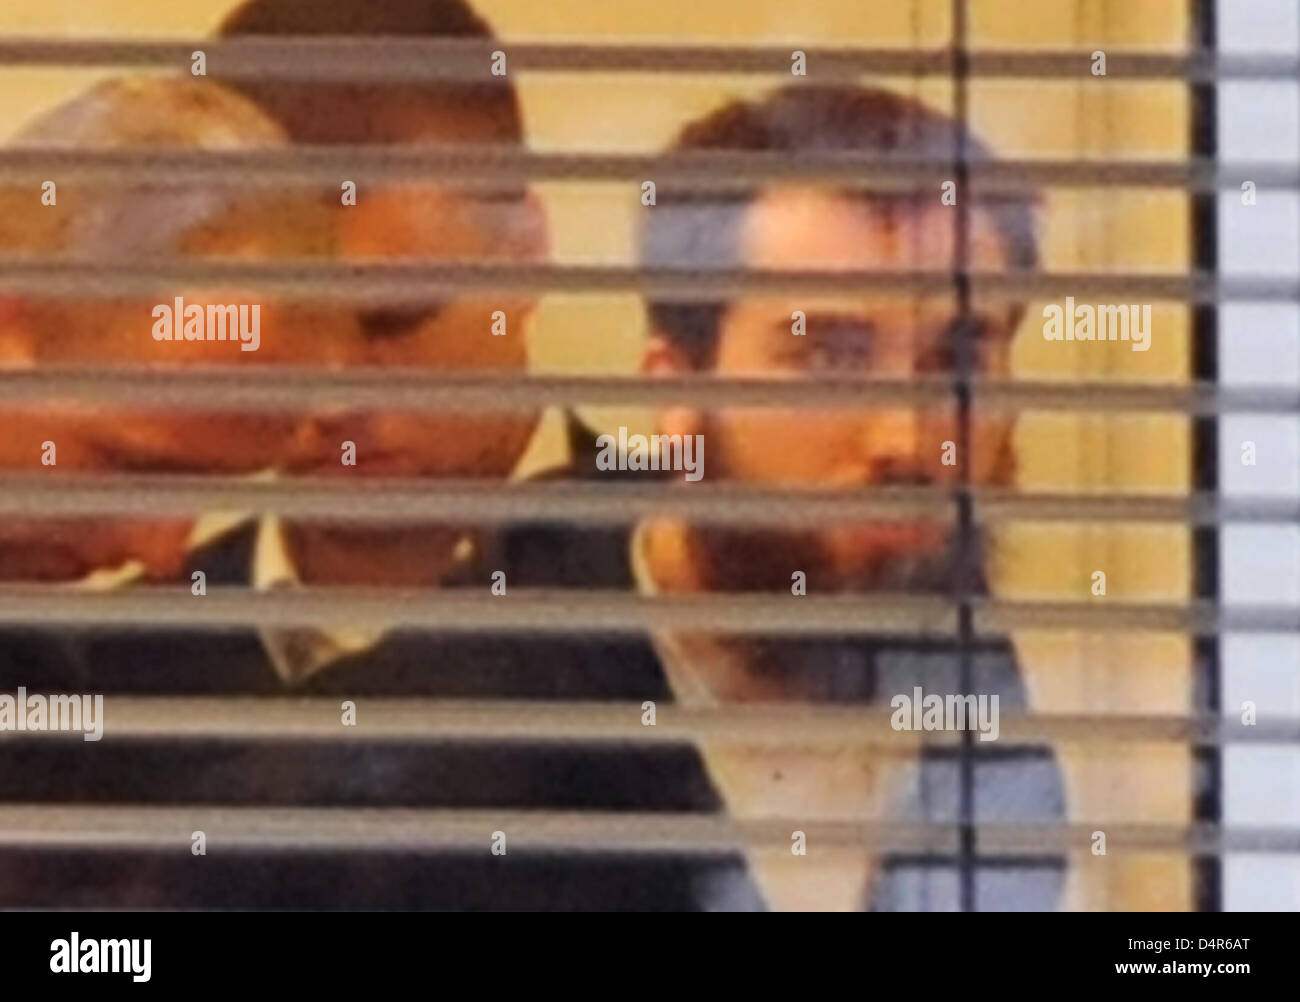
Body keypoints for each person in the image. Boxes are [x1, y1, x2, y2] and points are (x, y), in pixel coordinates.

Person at [525, 83, 1068, 910]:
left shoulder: (1008, 696)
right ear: (680, 396)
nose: (908, 441)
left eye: (958, 357)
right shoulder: (473, 740)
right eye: (827, 358)